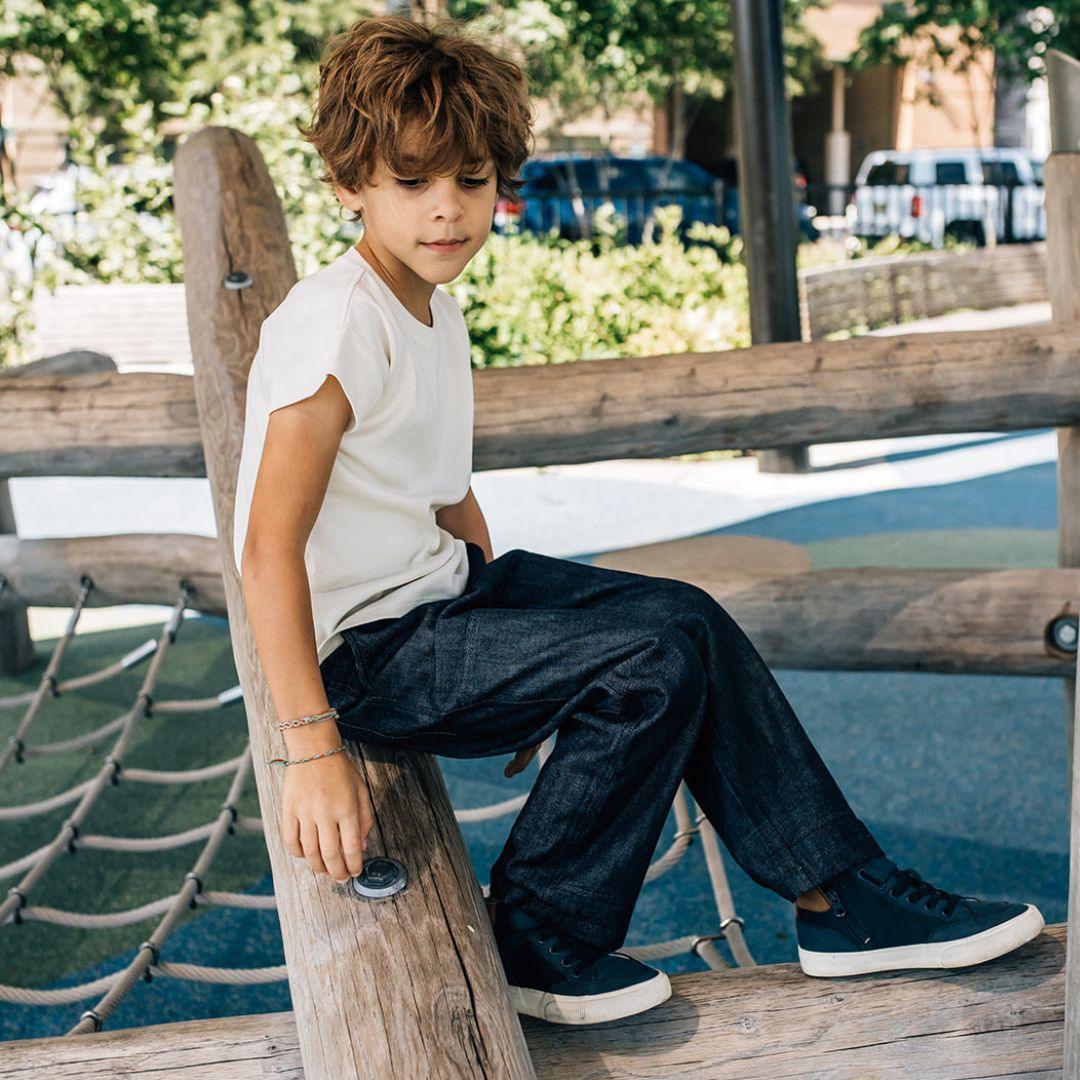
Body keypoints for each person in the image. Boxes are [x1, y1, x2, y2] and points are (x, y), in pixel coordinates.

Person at [234, 13, 1045, 1027]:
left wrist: (527, 660)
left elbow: (445, 497)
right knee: (649, 658)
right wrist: (310, 748)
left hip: (446, 603)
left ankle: (840, 898)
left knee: (685, 618)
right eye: (412, 183)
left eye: (472, 181)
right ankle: (536, 931)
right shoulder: (338, 321)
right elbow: (266, 546)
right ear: (348, 184)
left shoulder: (430, 306)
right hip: (369, 652)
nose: (447, 211)